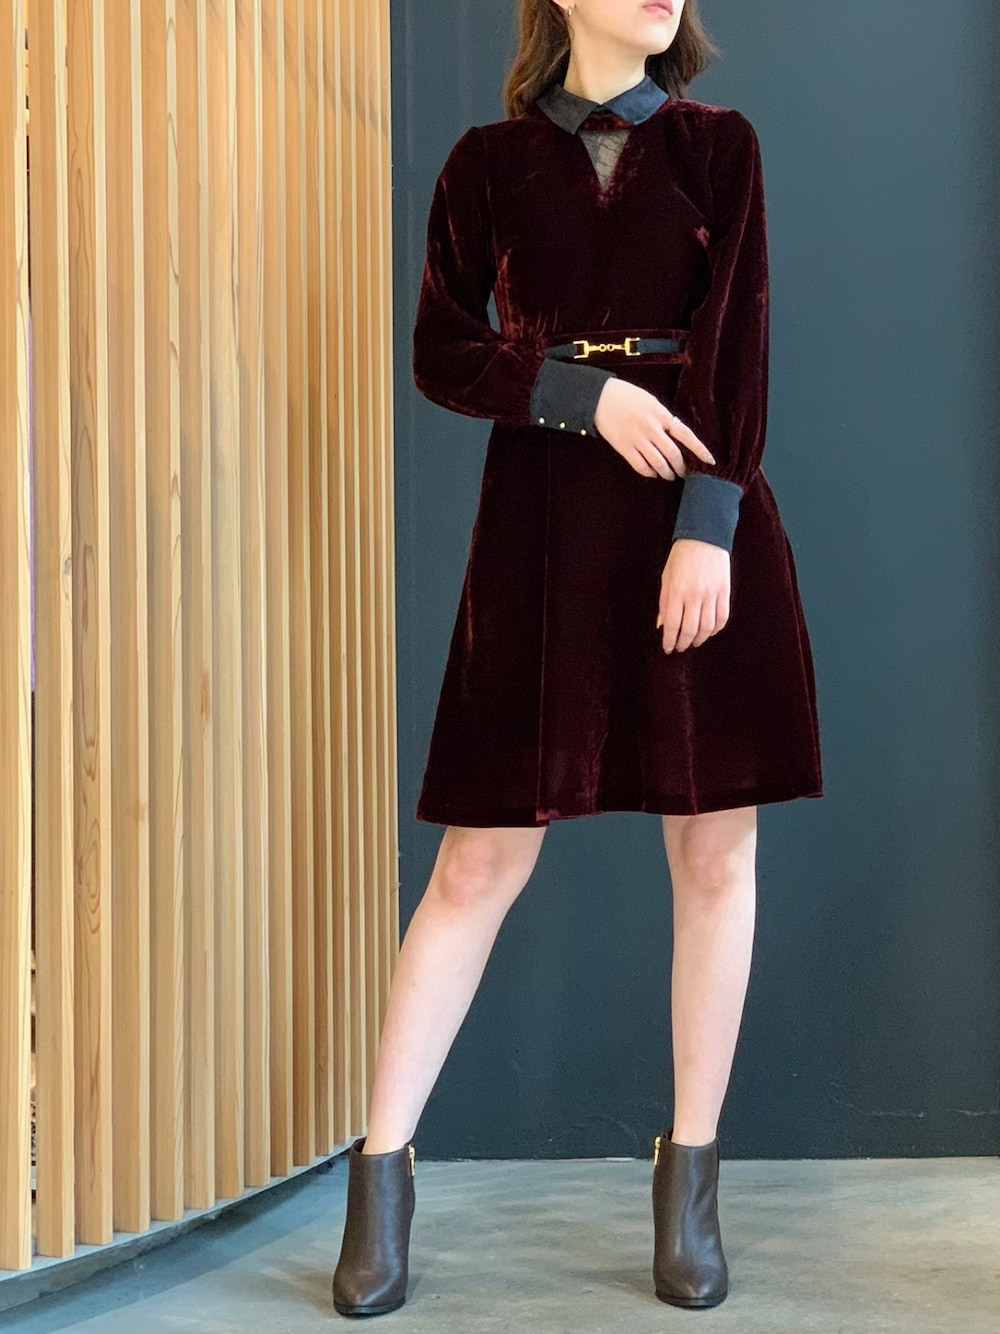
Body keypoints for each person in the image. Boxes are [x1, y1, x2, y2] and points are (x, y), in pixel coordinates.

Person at [333, 0, 824, 1317]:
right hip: (540, 531)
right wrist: (582, 393)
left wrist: (709, 528)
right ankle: (380, 1176)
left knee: (713, 857)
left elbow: (738, 349)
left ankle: (691, 1181)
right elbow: (443, 348)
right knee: (477, 862)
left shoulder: (720, 147)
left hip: (695, 520)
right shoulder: (485, 165)